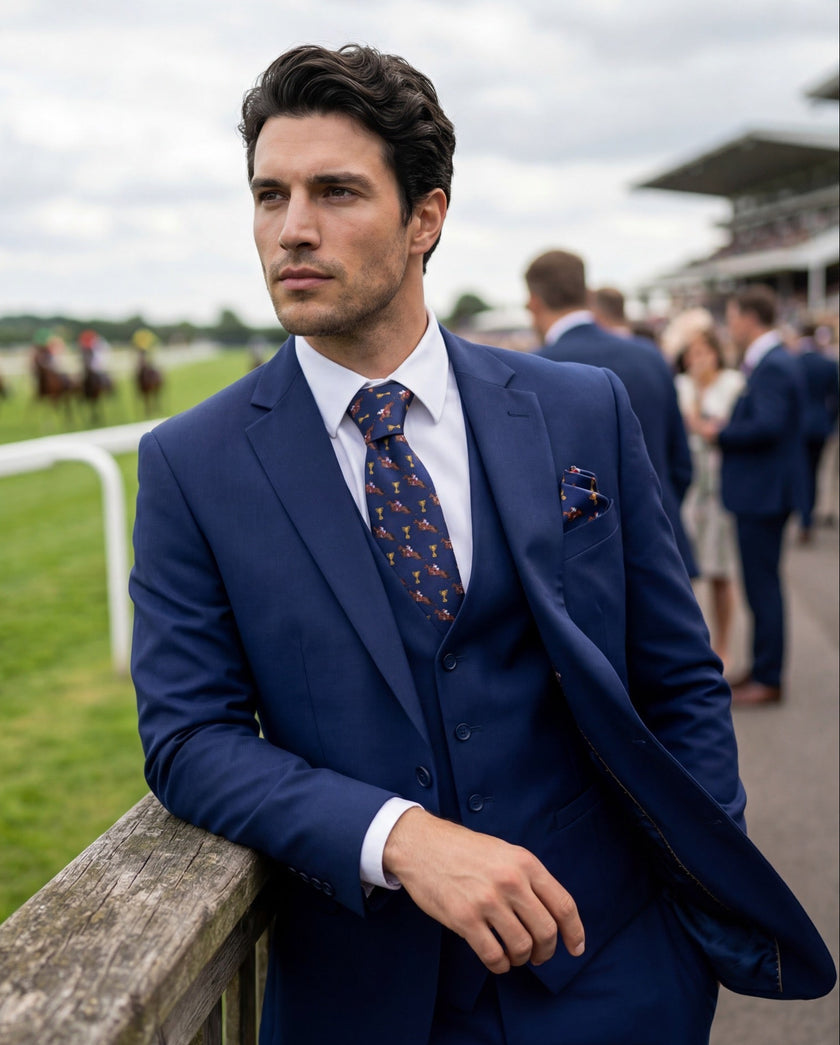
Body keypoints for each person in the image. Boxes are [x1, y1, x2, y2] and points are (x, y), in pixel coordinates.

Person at [130, 44, 834, 1045]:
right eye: (269, 194)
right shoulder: (191, 464)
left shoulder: (578, 410)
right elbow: (187, 737)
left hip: (622, 974)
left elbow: (677, 673)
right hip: (366, 1002)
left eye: (335, 191)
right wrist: (400, 838)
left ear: (427, 217)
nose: (291, 229)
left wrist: (683, 921)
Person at [525, 250, 697, 577]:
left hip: (579, 563)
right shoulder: (651, 357)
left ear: (534, 302)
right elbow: (682, 463)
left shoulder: (532, 371)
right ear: (586, 295)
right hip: (661, 541)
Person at [694, 285, 809, 706]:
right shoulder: (774, 360)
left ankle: (768, 676)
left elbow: (769, 425)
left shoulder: (773, 363)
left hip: (764, 492)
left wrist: (720, 431)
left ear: (747, 317)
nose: (730, 325)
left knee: (763, 589)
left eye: (733, 316)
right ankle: (762, 670)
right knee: (762, 586)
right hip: (763, 490)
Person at [675, 328, 744, 670]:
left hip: (720, 483)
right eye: (691, 353)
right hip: (690, 484)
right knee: (685, 569)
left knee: (720, 569)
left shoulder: (732, 383)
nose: (696, 360)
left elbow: (713, 427)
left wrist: (700, 417)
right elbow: (690, 425)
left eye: (703, 351)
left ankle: (724, 644)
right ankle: (691, 644)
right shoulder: (681, 385)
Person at [794, 322, 839, 542]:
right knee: (814, 471)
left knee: (802, 472)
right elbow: (836, 399)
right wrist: (831, 423)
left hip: (799, 426)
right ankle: (808, 513)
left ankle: (804, 519)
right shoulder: (828, 363)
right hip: (820, 425)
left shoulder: (795, 361)